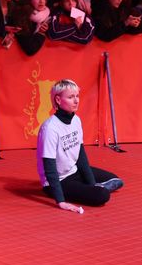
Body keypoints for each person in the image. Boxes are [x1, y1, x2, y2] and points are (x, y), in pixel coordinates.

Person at [37, 80, 123, 212]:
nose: (76, 101)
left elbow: (81, 156)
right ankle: (88, 189)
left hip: (74, 171)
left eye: (77, 96)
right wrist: (61, 201)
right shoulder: (49, 128)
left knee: (116, 180)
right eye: (71, 97)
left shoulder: (76, 120)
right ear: (58, 100)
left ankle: (89, 187)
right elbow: (49, 167)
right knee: (102, 195)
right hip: (59, 180)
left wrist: (91, 184)